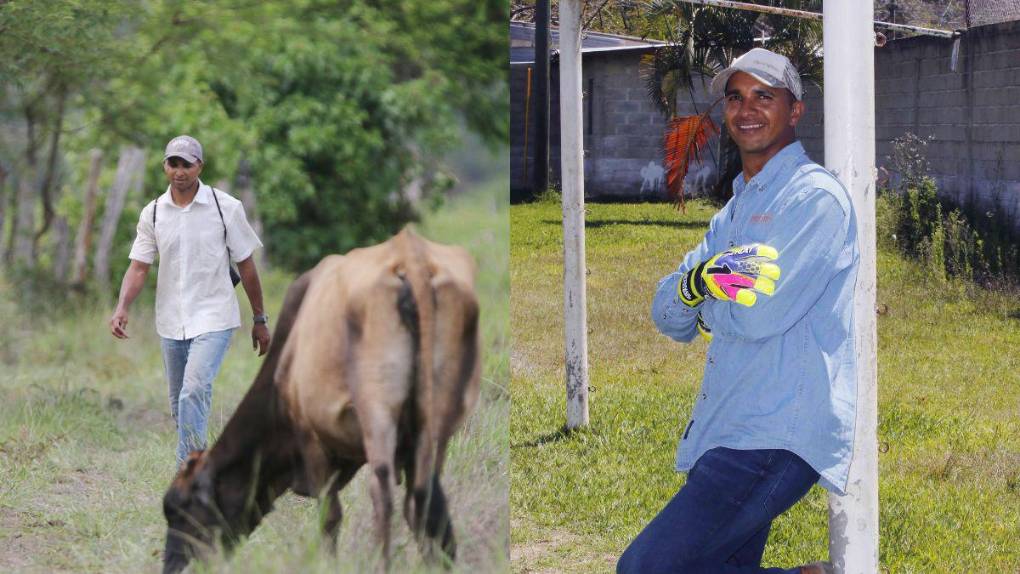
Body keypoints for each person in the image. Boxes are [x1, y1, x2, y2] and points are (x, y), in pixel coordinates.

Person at [616, 49, 860, 574]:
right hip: (726, 427)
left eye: (763, 96)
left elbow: (758, 316)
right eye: (735, 97)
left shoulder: (814, 200)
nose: (746, 109)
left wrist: (703, 306)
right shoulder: (734, 211)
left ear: (795, 111)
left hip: (775, 435)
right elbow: (666, 314)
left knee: (644, 569)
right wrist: (696, 285)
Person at [108, 135, 271, 466]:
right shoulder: (154, 213)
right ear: (164, 166)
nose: (179, 171)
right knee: (179, 402)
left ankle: (190, 471)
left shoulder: (225, 208)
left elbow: (246, 265)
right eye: (173, 163)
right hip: (171, 320)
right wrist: (122, 306)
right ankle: (200, 459)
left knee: (193, 390)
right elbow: (139, 267)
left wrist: (259, 319)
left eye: (187, 164)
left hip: (214, 316)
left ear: (200, 166)